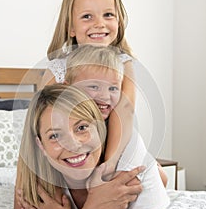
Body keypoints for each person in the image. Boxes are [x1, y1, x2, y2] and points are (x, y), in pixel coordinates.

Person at [14, 83, 169, 209]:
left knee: (155, 175)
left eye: (81, 127)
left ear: (100, 128)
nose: (73, 145)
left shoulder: (134, 169)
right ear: (40, 145)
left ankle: (159, 174)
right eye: (55, 136)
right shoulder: (32, 180)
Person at [40, 0, 136, 177]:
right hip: (72, 152)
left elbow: (124, 111)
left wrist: (109, 165)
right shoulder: (59, 67)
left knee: (159, 177)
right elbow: (42, 119)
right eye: (87, 17)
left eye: (108, 14)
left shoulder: (123, 62)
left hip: (114, 150)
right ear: (71, 28)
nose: (100, 24)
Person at [65, 44, 168, 187]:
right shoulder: (62, 126)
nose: (105, 96)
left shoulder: (117, 128)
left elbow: (161, 180)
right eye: (94, 87)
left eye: (113, 88)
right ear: (67, 87)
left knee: (159, 175)